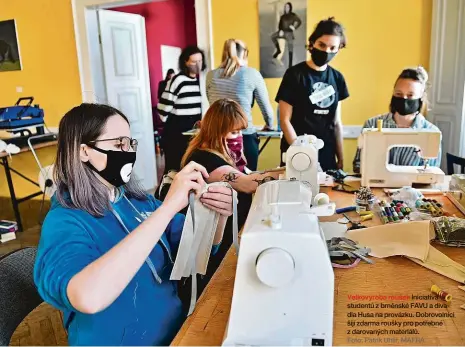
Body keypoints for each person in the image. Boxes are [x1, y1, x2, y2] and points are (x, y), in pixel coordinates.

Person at [33, 103, 234, 346]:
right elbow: (88, 297)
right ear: (83, 151)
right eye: (118, 145)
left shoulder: (138, 201)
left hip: (177, 334)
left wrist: (218, 214)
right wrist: (169, 207)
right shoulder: (64, 222)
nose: (127, 152)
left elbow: (196, 252)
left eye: (129, 143)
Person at [182, 98, 284, 230]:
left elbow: (249, 174)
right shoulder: (205, 159)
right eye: (234, 132)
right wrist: (288, 174)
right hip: (219, 240)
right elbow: (247, 183)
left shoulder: (220, 153)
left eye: (240, 131)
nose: (239, 137)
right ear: (216, 131)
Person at [276, 17, 348, 172]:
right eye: (322, 45)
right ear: (312, 43)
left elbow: (336, 123)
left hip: (326, 154)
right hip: (296, 152)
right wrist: (301, 153)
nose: (326, 51)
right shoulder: (294, 75)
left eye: (332, 48)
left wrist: (340, 157)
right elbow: (285, 120)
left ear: (338, 49)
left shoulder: (337, 78)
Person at [353, 67, 442, 172]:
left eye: (410, 95)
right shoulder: (372, 124)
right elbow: (358, 164)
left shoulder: (431, 131)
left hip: (414, 187)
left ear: (421, 97)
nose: (403, 99)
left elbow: (431, 171)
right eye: (398, 94)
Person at [206, 39, 274, 171]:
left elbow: (212, 104)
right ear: (244, 54)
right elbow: (267, 111)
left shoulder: (210, 75)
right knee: (245, 183)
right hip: (243, 137)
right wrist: (269, 125)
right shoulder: (251, 74)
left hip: (215, 138)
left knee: (217, 182)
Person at [157, 46, 206, 173]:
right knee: (173, 171)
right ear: (185, 62)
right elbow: (163, 110)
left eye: (200, 61)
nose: (198, 65)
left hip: (194, 133)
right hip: (176, 133)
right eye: (194, 62)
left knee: (190, 170)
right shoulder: (177, 80)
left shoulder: (199, 81)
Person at [271, 2, 302, 68]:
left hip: (289, 33)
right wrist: (280, 30)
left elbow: (299, 22)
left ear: (290, 8)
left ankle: (290, 65)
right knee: (273, 36)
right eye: (285, 7)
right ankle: (278, 50)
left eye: (287, 7)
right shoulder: (283, 16)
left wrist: (294, 27)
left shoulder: (293, 15)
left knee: (290, 48)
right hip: (282, 32)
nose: (286, 8)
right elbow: (280, 25)